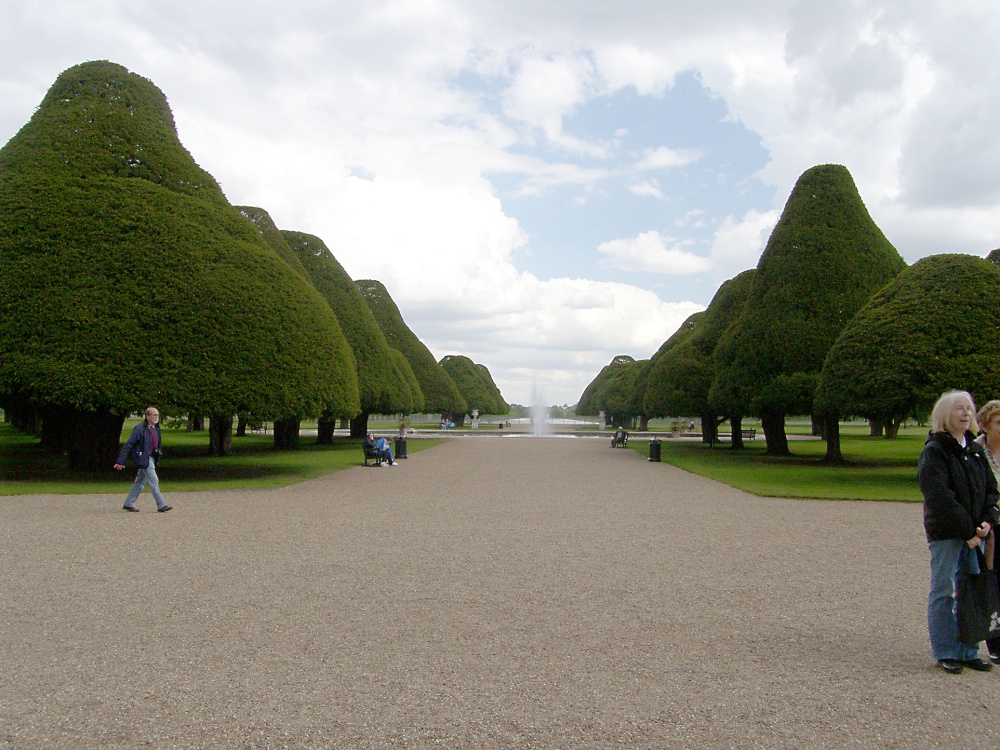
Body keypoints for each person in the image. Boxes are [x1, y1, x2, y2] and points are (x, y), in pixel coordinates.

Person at [919, 390, 999, 673]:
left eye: (969, 409)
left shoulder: (975, 450)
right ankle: (945, 650)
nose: (966, 413)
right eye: (959, 409)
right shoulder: (936, 450)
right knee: (944, 590)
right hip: (947, 533)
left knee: (971, 589)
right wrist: (967, 530)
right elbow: (939, 496)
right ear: (945, 415)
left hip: (975, 533)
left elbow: (990, 489)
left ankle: (968, 649)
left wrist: (988, 520)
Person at [975, 400, 1000, 662]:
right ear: (985, 425)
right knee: (991, 582)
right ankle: (995, 643)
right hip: (990, 527)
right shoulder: (975, 452)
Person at [114, 407, 173, 512]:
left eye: (158, 415)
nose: (157, 417)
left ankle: (128, 503)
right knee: (154, 480)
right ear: (147, 416)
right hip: (144, 458)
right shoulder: (140, 428)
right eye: (154, 415)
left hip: (151, 458)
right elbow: (129, 444)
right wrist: (120, 461)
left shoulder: (156, 428)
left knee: (140, 482)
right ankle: (161, 505)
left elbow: (158, 444)